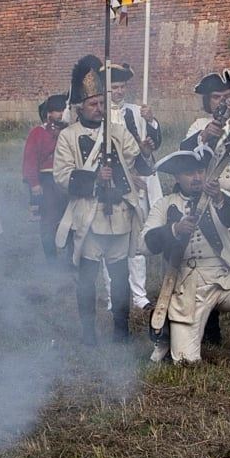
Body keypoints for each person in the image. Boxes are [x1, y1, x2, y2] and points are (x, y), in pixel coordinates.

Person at [55, 55, 152, 344]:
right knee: (87, 280)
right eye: (93, 104)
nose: (99, 109)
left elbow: (138, 163)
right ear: (80, 107)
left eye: (101, 103)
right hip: (89, 215)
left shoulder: (118, 131)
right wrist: (95, 177)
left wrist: (144, 153)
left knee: (120, 279)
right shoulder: (68, 137)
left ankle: (121, 333)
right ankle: (88, 334)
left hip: (119, 214)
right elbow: (62, 177)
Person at [142, 150, 230, 364]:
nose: (197, 178)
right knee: (186, 361)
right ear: (177, 177)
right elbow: (144, 244)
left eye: (200, 171)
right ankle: (171, 335)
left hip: (223, 276)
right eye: (189, 173)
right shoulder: (165, 204)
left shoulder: (217, 197)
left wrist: (219, 197)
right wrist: (174, 229)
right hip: (187, 283)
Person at [104, 62, 161, 312]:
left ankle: (139, 294)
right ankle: (111, 295)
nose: (119, 91)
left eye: (122, 86)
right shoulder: (100, 114)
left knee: (136, 240)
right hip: (114, 185)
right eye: (114, 87)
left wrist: (152, 122)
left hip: (139, 180)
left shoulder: (137, 112)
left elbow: (153, 145)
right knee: (110, 239)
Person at [21, 94, 68, 259]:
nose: (62, 114)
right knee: (48, 220)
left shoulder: (70, 131)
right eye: (58, 111)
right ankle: (51, 259)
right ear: (49, 114)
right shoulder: (38, 133)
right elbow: (30, 159)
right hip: (47, 181)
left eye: (64, 110)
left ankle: (71, 257)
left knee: (69, 219)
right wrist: (34, 183)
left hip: (67, 180)